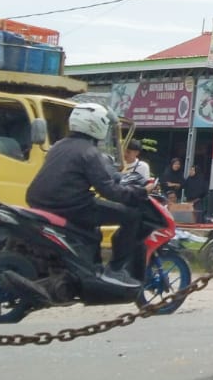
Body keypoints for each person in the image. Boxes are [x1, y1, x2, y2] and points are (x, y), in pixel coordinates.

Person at [25, 103, 147, 288]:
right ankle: (115, 269)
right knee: (131, 216)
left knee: (94, 229)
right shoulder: (89, 152)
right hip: (70, 206)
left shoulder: (59, 146)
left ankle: (90, 266)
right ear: (97, 125)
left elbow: (102, 174)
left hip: (40, 203)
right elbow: (108, 190)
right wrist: (137, 193)